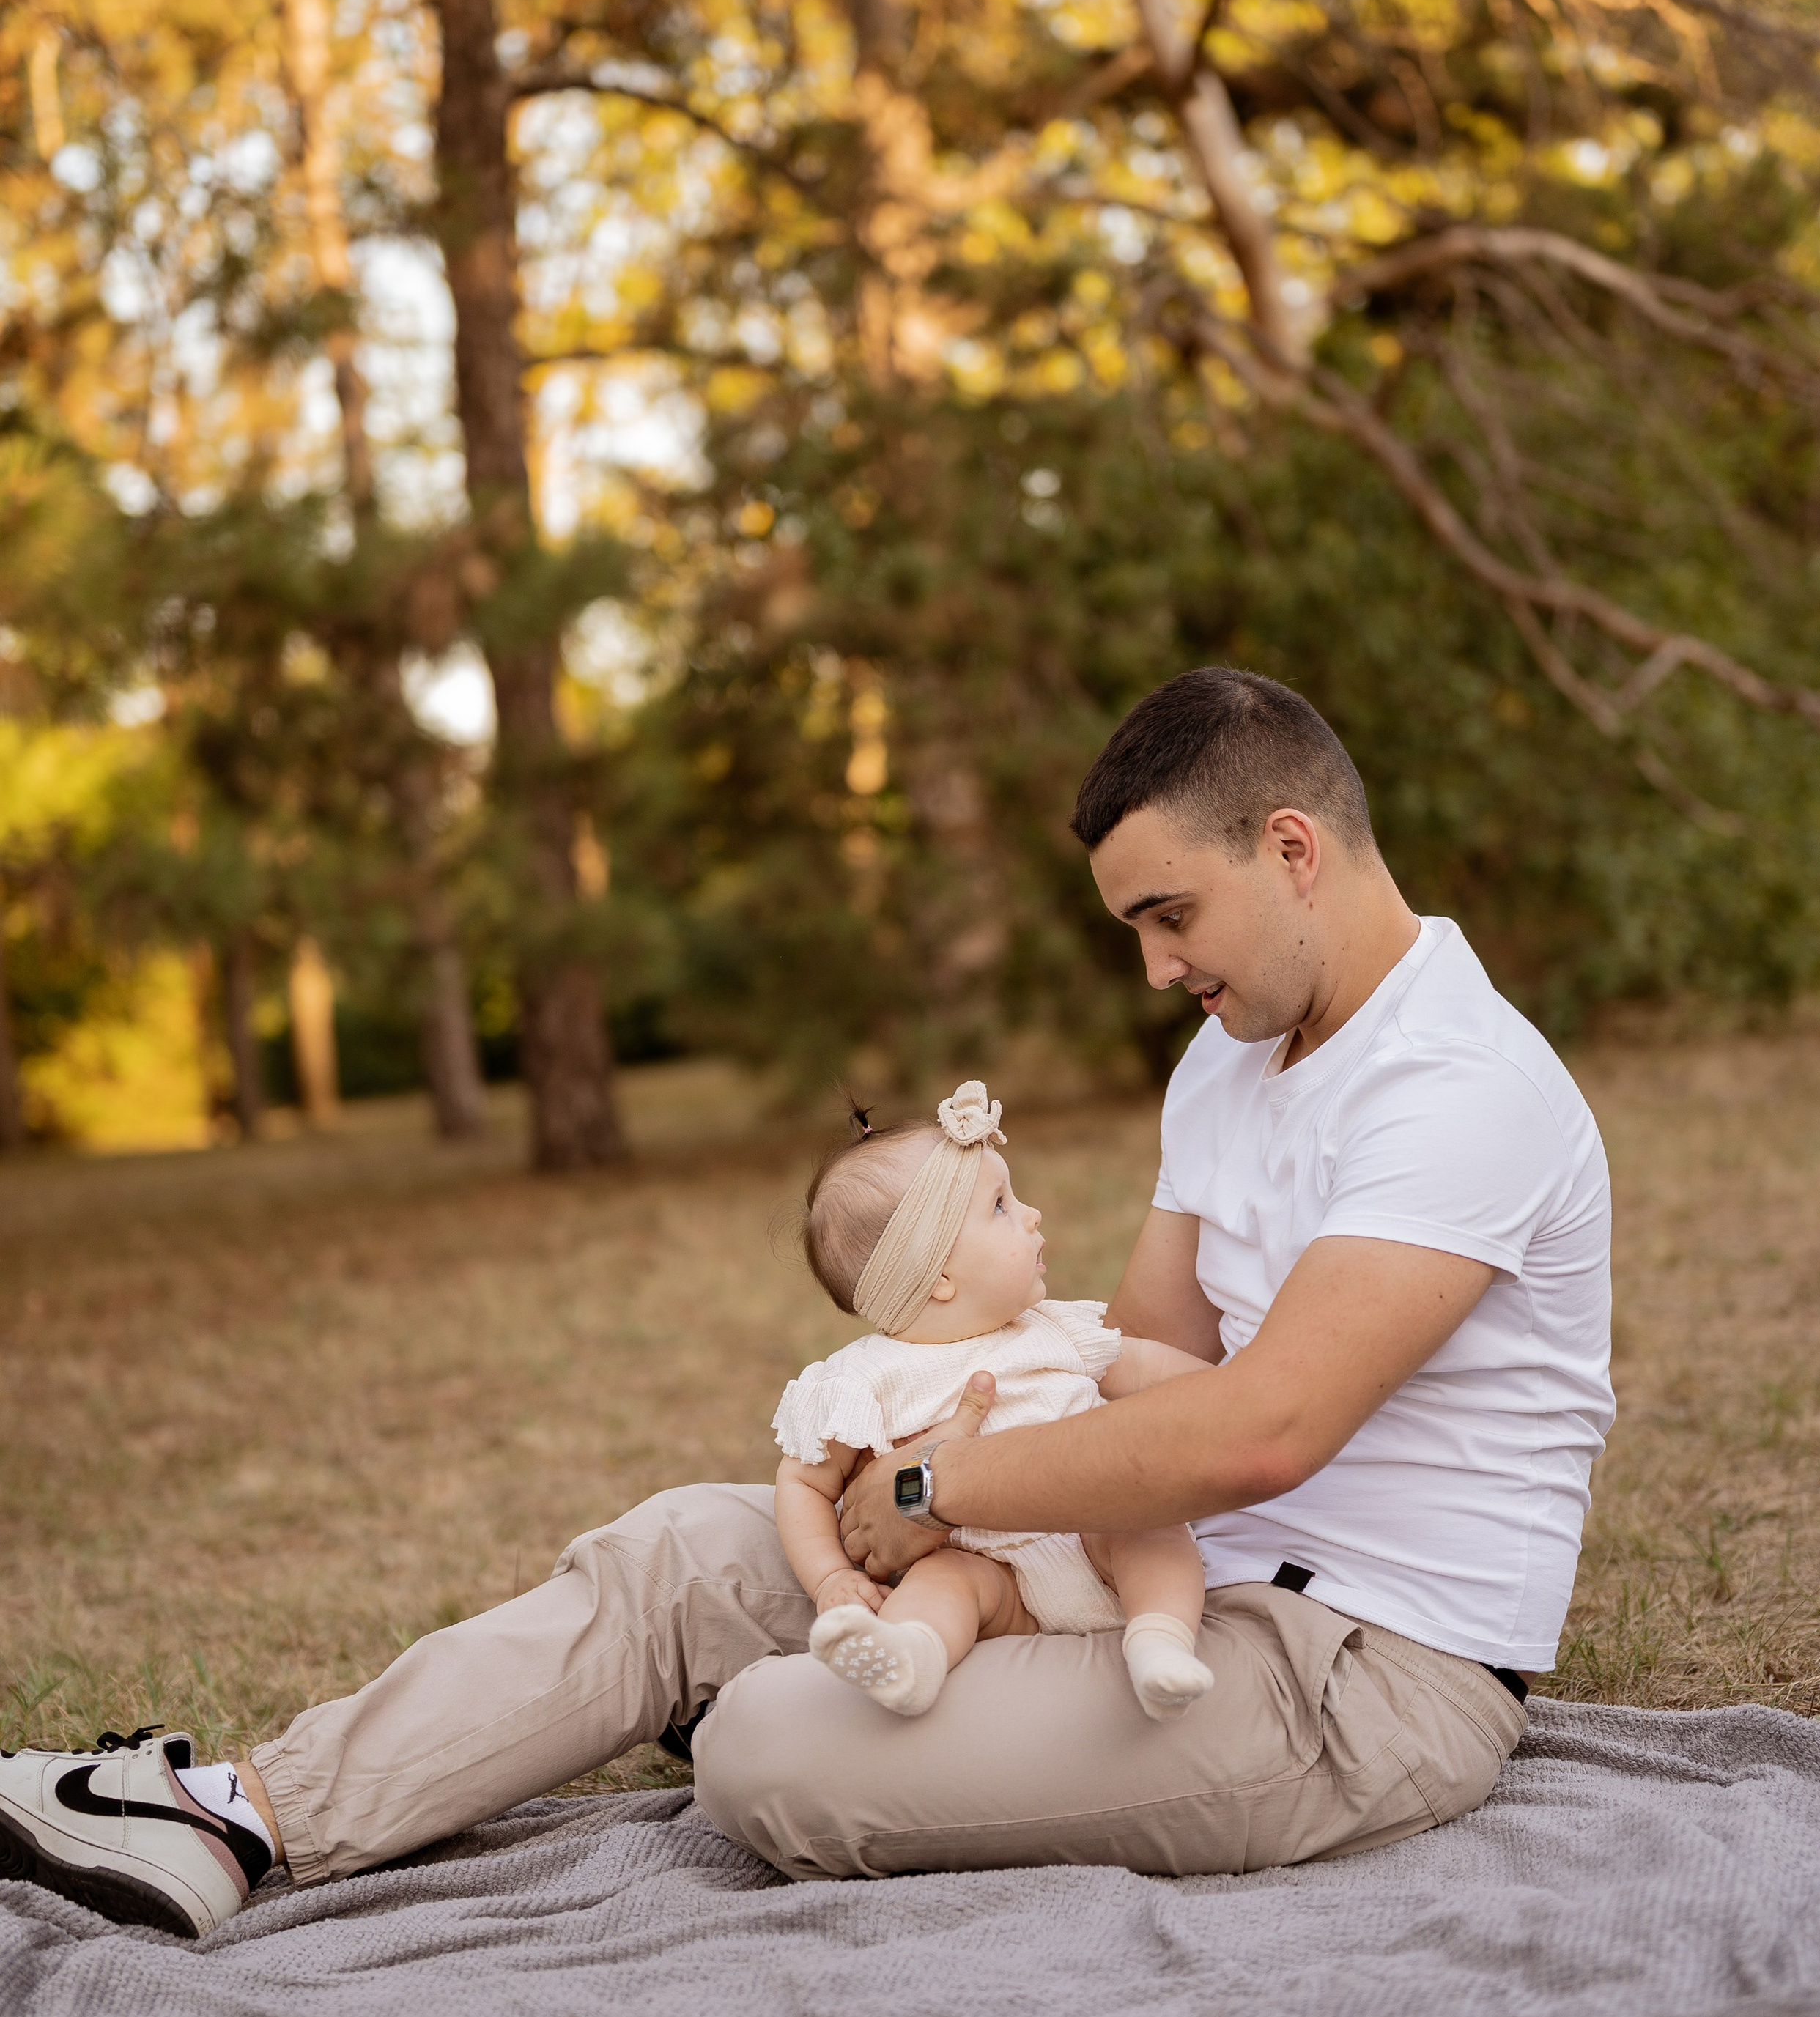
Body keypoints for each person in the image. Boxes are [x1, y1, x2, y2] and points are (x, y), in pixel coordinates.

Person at [0, 669, 1613, 1939]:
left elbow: (1261, 1428)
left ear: (1291, 848)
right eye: (1134, 927)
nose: (1153, 969)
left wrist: (931, 1490)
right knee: (681, 1555)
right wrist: (907, 1445)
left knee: (770, 1747)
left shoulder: (1458, 1084)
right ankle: (241, 1817)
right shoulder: (1228, 1062)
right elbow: (1140, 1363)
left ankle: (784, 1710)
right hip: (1118, 1578)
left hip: (1355, 1674)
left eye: (1168, 917)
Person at [776, 1079, 1215, 1722]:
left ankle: (1160, 1642)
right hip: (993, 1576)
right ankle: (912, 1654)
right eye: (1002, 1206)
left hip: (1098, 1536)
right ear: (940, 1278)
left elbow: (1156, 1372)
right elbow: (804, 1483)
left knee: (1150, 1526)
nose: (1032, 1214)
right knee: (944, 1582)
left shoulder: (1053, 1330)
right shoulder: (865, 1380)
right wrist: (829, 1578)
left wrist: (1236, 1389)